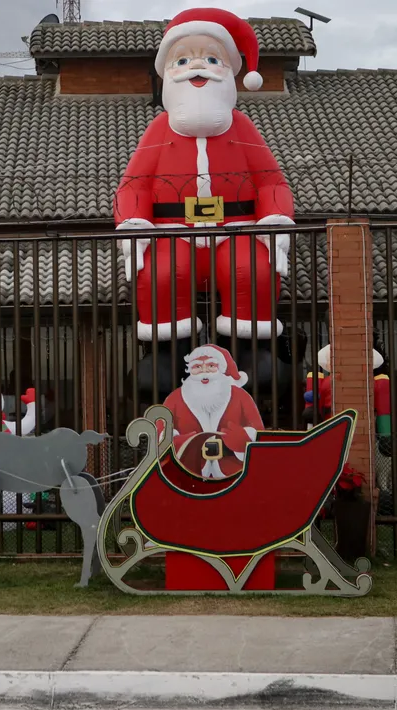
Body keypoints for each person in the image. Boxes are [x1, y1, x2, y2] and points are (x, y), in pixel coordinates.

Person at [114, 8, 296, 346]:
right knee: (161, 275)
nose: (196, 67)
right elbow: (133, 185)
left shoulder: (242, 127)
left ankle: (250, 352)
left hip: (235, 228)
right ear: (167, 73)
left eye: (212, 58)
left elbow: (271, 181)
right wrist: (134, 220)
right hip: (172, 232)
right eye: (182, 61)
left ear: (229, 72)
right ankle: (166, 354)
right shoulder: (158, 129)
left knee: (253, 273)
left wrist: (275, 216)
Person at [160, 344, 264, 478]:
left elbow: (259, 431)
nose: (204, 371)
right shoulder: (175, 398)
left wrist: (245, 441)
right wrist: (182, 444)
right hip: (187, 472)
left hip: (235, 472)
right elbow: (161, 431)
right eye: (197, 367)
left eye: (210, 366)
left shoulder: (240, 396)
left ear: (220, 368)